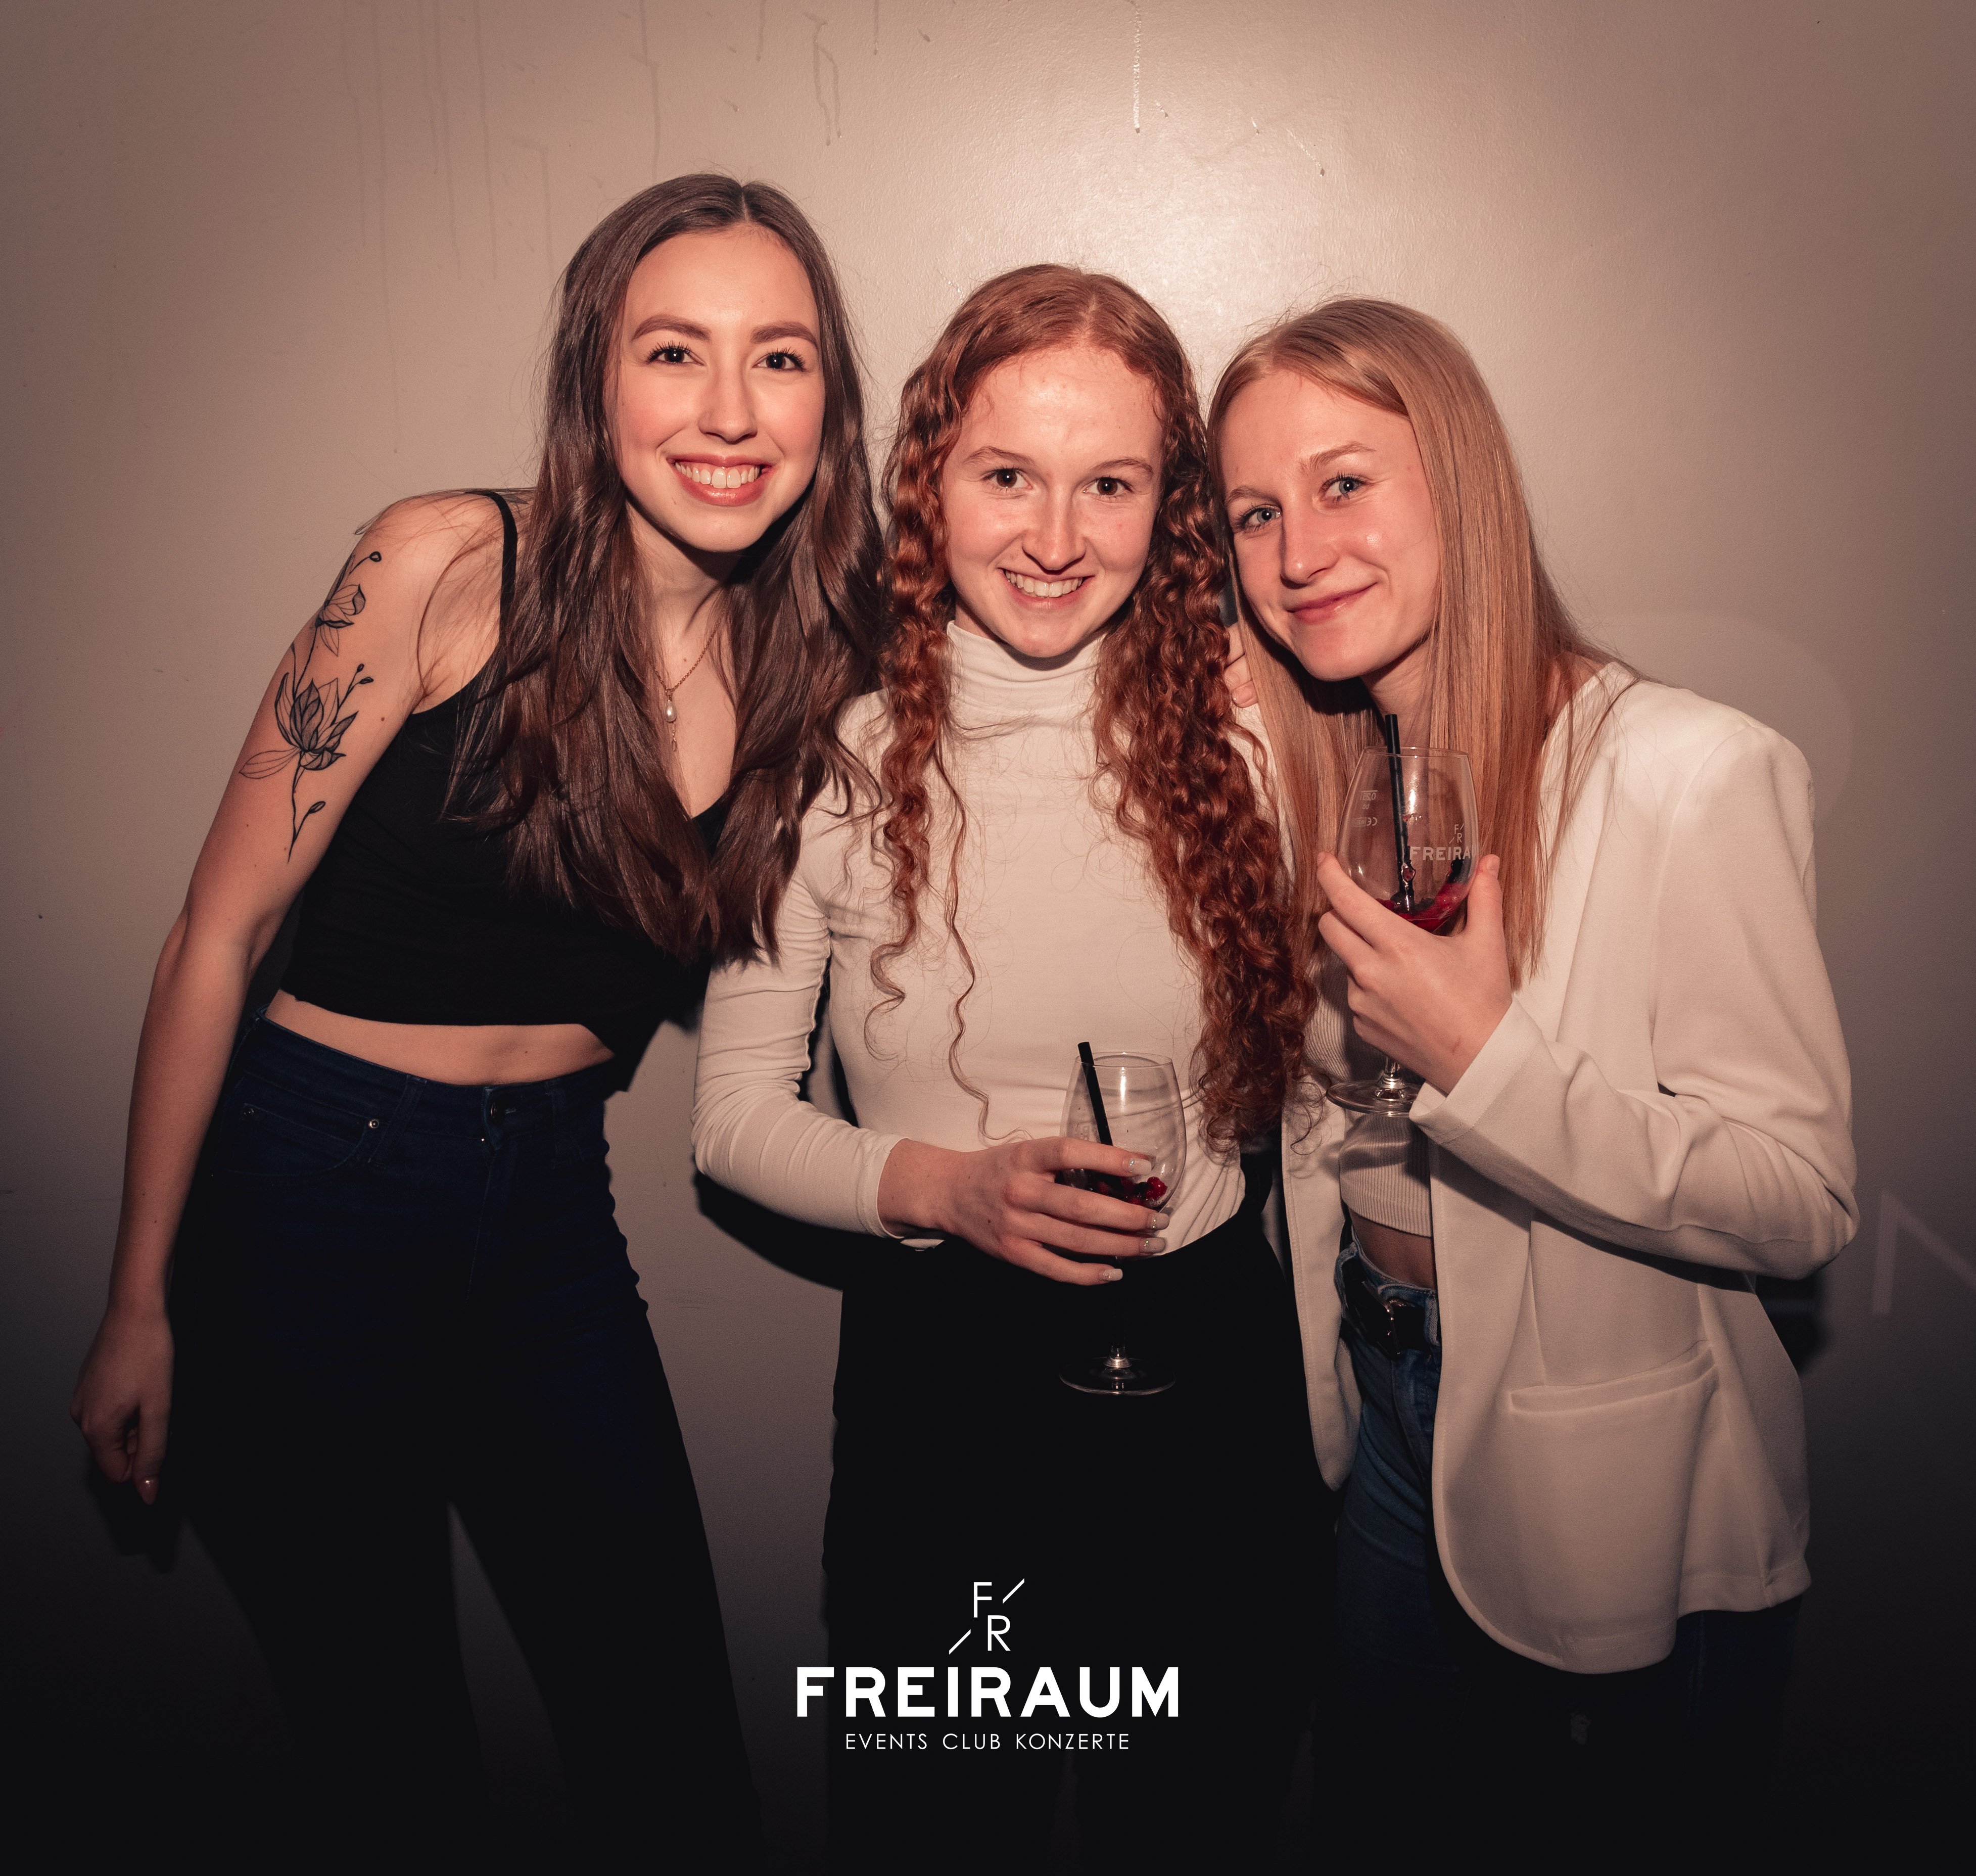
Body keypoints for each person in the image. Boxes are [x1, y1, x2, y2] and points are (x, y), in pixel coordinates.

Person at [68, 174, 884, 1866]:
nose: (730, 412)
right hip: (307, 1198)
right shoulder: (445, 560)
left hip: (551, 1216)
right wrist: (139, 1299)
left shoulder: (822, 651)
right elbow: (218, 935)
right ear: (598, 377)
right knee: (401, 1780)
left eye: (781, 358)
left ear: (830, 403)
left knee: (677, 1764)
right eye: (675, 352)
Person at [692, 265, 1324, 1872]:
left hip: (1212, 1377)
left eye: (1109, 484)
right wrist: (945, 1190)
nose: (1055, 536)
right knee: (934, 1824)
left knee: (1197, 1823)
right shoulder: (823, 764)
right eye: (1006, 477)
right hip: (945, 1395)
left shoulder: (1258, 739)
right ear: (930, 483)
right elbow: (733, 1122)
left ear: (1170, 508)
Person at [1210, 298, 1857, 1847]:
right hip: (1383, 1410)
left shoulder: (1686, 771)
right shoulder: (1343, 778)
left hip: (1603, 1473)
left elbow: (1798, 1202)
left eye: (1344, 483)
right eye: (1255, 513)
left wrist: (1487, 1063)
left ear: (1465, 484)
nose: (1298, 551)